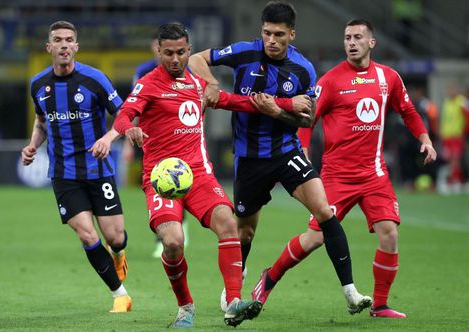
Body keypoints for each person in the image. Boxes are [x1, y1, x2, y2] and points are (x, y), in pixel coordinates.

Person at [92, 22, 309, 328]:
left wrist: (285, 104)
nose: (175, 59)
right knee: (173, 242)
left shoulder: (198, 84)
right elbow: (125, 113)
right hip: (162, 179)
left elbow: (238, 102)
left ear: (189, 50)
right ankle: (185, 307)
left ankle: (233, 302)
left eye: (181, 52)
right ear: (158, 51)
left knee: (228, 224)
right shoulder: (149, 84)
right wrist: (131, 130)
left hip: (199, 174)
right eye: (168, 53)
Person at [188, 0, 371, 315]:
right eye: (267, 33)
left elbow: (305, 120)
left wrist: (277, 110)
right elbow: (195, 59)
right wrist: (213, 82)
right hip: (248, 158)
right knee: (245, 230)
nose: (272, 40)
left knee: (326, 212)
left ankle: (351, 291)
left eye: (279, 35)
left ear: (292, 35)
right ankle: (237, 280)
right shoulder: (245, 51)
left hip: (286, 152)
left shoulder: (303, 69)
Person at [253, 19, 437, 318]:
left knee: (389, 233)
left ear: (371, 42)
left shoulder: (388, 78)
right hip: (337, 176)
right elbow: (306, 117)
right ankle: (268, 279)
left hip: (374, 174)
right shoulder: (331, 81)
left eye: (358, 37)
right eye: (347, 37)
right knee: (314, 238)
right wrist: (302, 150)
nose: (352, 42)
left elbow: (408, 110)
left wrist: (425, 139)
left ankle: (380, 305)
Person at [21, 21, 131, 313]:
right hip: (63, 174)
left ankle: (119, 253)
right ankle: (120, 294)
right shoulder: (38, 85)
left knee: (115, 237)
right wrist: (33, 145)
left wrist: (109, 137)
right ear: (49, 47)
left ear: (77, 47)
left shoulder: (95, 80)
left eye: (69, 40)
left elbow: (123, 114)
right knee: (87, 235)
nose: (64, 45)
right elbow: (41, 121)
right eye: (58, 40)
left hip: (98, 169)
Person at [125, 32, 190, 258]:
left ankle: (181, 225)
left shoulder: (186, 72)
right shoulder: (144, 73)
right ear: (157, 48)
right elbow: (133, 107)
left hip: (182, 141)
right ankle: (165, 233)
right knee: (158, 185)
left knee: (183, 183)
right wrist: (127, 142)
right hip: (151, 141)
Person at [440, 83, 467, 192]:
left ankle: (456, 181)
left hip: (457, 134)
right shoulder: (447, 102)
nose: (450, 92)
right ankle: (455, 180)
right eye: (449, 90)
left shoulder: (462, 101)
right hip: (447, 135)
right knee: (450, 159)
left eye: (452, 90)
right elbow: (444, 119)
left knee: (456, 159)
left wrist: (464, 131)